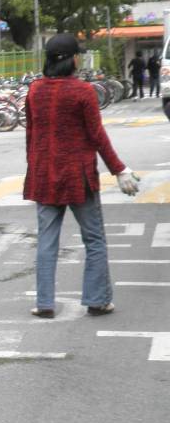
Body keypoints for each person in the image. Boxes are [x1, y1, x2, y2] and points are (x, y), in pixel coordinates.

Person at [23, 33, 140, 319]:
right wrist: (119, 169)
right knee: (94, 239)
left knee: (47, 241)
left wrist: (35, 169)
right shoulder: (83, 92)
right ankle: (97, 300)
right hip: (79, 178)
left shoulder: (35, 91)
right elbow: (97, 137)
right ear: (73, 60)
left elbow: (31, 136)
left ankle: (45, 303)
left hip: (44, 176)